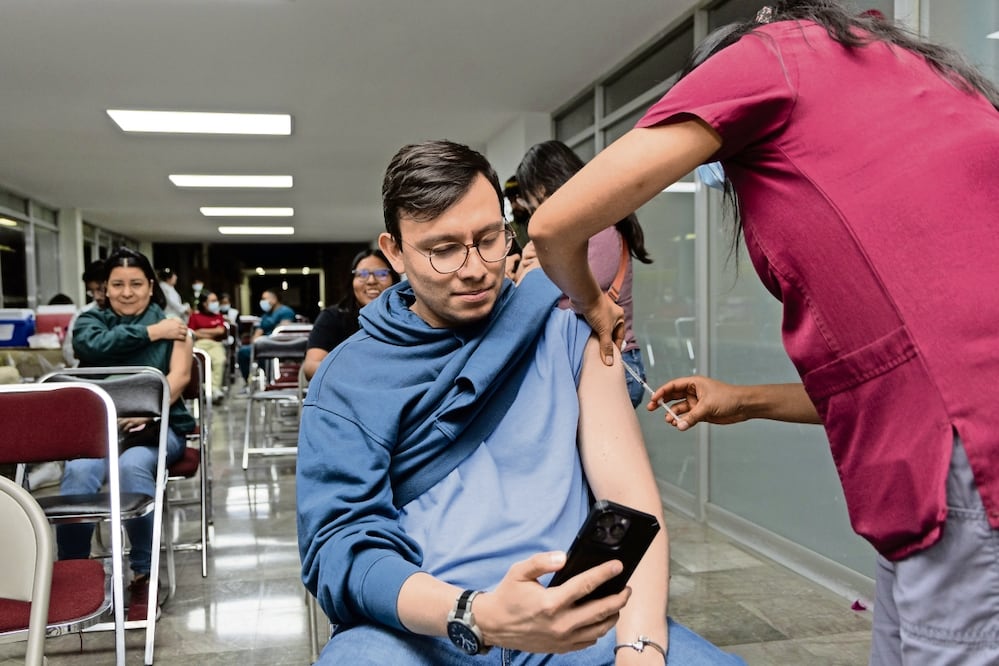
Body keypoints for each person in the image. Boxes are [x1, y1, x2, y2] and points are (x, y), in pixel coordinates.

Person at [527, 2, 999, 664]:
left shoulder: (774, 55)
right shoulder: (922, 88)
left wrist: (591, 304)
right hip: (936, 473)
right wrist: (741, 399)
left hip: (967, 462)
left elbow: (554, 226)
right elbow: (887, 375)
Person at [297, 139, 742, 665]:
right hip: (427, 629)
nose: (474, 268)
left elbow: (633, 506)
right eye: (442, 249)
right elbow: (341, 547)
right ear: (393, 251)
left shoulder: (570, 334)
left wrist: (639, 647)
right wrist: (474, 613)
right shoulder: (347, 378)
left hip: (576, 622)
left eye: (490, 238)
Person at [62, 246, 195, 622]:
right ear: (104, 288)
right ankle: (69, 571)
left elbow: (179, 378)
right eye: (117, 284)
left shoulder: (176, 329)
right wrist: (152, 332)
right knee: (79, 472)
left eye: (136, 283)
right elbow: (91, 346)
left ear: (151, 287)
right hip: (99, 431)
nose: (126, 292)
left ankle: (143, 573)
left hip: (157, 428)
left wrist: (146, 409)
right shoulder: (91, 325)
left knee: (132, 467)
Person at [514, 140, 653, 408]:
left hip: (613, 365)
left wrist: (530, 268)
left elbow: (550, 296)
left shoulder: (597, 230)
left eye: (531, 201)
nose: (534, 213)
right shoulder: (579, 234)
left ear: (541, 189)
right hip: (593, 363)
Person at [302, 249, 400, 380]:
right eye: (362, 274)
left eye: (381, 273)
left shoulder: (406, 317)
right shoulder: (332, 317)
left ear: (394, 279)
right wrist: (358, 373)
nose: (371, 281)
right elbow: (311, 367)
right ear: (352, 281)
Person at [236, 288, 295, 382]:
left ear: (274, 299)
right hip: (263, 345)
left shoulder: (286, 312)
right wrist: (255, 342)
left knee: (264, 355)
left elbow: (283, 331)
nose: (262, 302)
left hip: (279, 345)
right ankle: (248, 382)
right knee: (243, 352)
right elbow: (259, 331)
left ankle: (273, 380)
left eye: (265, 299)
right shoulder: (266, 315)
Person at [188, 290, 228, 401]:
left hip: (215, 344)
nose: (216, 303)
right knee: (201, 363)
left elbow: (220, 331)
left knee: (219, 360)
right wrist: (211, 331)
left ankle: (213, 388)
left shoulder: (218, 316)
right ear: (204, 303)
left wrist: (201, 331)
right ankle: (208, 388)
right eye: (213, 301)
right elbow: (192, 332)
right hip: (199, 344)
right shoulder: (194, 316)